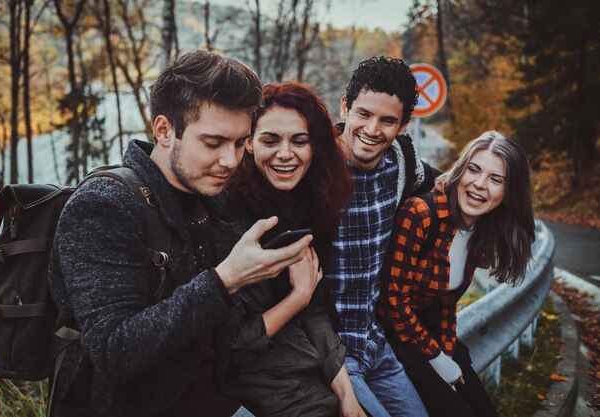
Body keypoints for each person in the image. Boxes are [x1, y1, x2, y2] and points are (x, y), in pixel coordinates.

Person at [47, 50, 314, 417]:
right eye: (213, 142)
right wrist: (226, 279)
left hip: (224, 396)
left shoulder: (210, 196)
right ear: (164, 130)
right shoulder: (105, 205)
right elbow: (113, 353)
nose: (231, 161)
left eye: (240, 143)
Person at [223, 81, 366, 417]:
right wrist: (296, 297)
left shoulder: (310, 205)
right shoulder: (228, 218)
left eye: (299, 141)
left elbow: (314, 310)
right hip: (256, 387)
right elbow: (232, 347)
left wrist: (347, 394)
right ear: (249, 144)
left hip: (307, 367)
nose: (285, 154)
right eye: (270, 140)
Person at [377, 131, 536, 417]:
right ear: (460, 170)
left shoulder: (480, 229)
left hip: (429, 331)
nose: (479, 184)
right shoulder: (421, 214)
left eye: (495, 179)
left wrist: (448, 353)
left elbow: (447, 303)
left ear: (508, 192)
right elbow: (393, 305)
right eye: (474, 170)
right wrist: (438, 359)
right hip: (394, 338)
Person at [324, 56, 438, 417]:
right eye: (363, 114)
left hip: (376, 342)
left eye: (388, 120)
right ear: (345, 107)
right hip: (330, 352)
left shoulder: (402, 162)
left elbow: (445, 186)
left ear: (403, 126)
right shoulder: (313, 167)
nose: (372, 129)